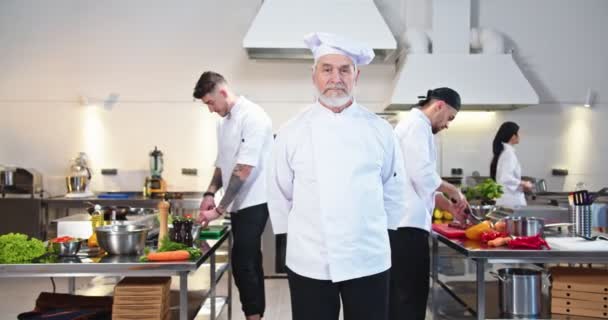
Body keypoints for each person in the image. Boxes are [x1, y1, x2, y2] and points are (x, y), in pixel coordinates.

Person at [267, 32, 407, 320]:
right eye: (327, 69)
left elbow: (393, 188)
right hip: (311, 258)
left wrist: (383, 233)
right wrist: (292, 238)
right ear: (314, 75)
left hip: (367, 256)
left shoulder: (380, 130)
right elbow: (279, 191)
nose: (336, 77)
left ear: (356, 75)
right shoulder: (292, 131)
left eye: (345, 69)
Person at [193, 71, 273, 320]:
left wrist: (218, 209)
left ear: (223, 92)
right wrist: (209, 193)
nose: (210, 109)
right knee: (250, 262)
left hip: (256, 200)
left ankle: (253, 316)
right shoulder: (222, 122)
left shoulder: (254, 117)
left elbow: (244, 169)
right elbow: (223, 164)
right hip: (238, 203)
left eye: (210, 102)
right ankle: (257, 315)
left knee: (242, 262)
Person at [390, 87, 468, 320]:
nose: (447, 124)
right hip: (406, 229)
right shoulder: (417, 125)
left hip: (406, 226)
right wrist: (455, 191)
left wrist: (448, 206)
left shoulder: (416, 125)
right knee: (408, 299)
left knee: (406, 297)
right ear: (439, 106)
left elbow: (419, 185)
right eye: (450, 118)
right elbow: (421, 174)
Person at [491, 121, 533, 207]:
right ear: (513, 136)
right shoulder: (508, 154)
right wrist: (524, 183)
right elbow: (506, 177)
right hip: (511, 202)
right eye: (518, 133)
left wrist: (521, 185)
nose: (519, 136)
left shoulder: (505, 152)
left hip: (506, 200)